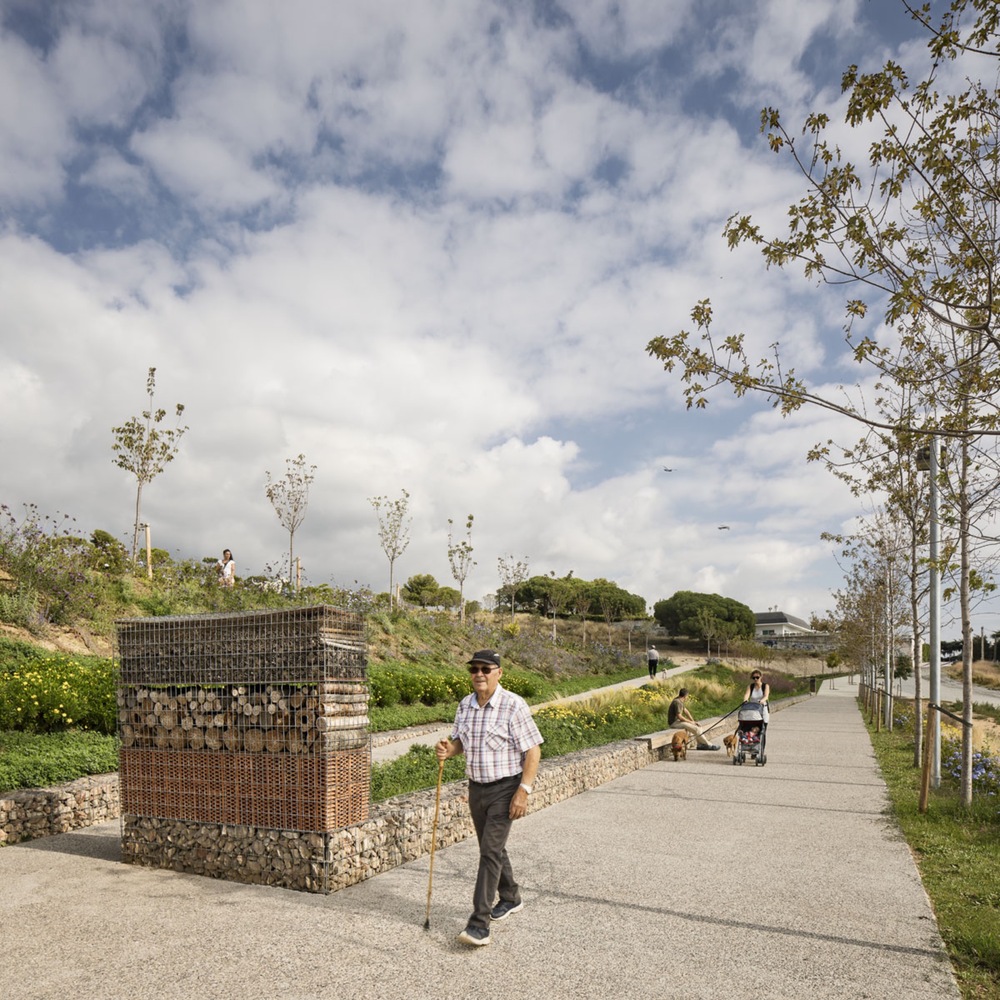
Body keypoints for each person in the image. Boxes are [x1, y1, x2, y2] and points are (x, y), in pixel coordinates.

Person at [435, 649, 543, 948]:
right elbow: (460, 743)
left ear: (499, 673)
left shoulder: (513, 705)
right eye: (474, 669)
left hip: (506, 788)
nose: (479, 674)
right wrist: (449, 749)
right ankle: (510, 897)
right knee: (490, 848)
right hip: (476, 788)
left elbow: (532, 750)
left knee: (488, 853)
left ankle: (478, 924)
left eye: (485, 669)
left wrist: (524, 790)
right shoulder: (465, 705)